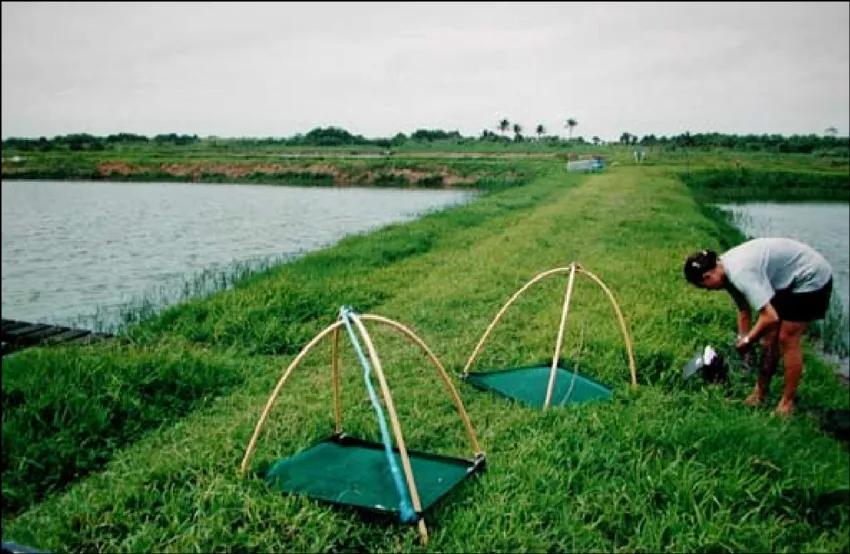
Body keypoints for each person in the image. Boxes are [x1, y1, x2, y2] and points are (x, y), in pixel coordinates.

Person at [683, 237, 834, 416]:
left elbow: (770, 317)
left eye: (706, 287)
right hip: (785, 277)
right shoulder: (723, 271)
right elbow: (743, 310)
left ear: (708, 276)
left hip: (810, 276)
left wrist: (748, 340)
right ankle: (760, 394)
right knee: (768, 338)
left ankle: (787, 404)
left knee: (787, 338)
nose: (710, 291)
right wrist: (743, 342)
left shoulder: (740, 273)